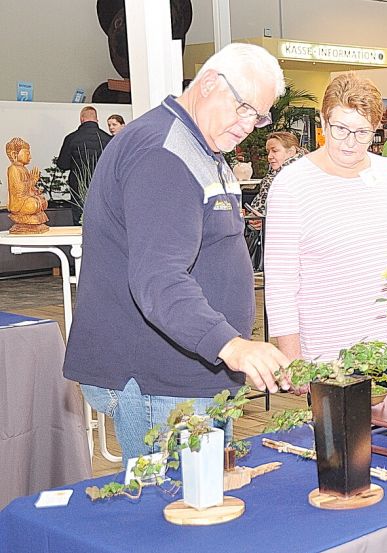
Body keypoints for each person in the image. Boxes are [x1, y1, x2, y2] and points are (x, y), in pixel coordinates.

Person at [63, 43, 292, 465]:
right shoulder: (164, 154)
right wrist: (233, 346)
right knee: (172, 513)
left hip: (193, 376)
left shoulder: (202, 146)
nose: (249, 126)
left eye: (258, 116)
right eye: (244, 109)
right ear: (208, 84)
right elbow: (160, 279)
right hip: (162, 382)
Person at [265, 73, 387, 390]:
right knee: (345, 441)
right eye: (340, 129)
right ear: (323, 122)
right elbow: (280, 282)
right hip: (331, 358)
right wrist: (292, 359)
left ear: (376, 129)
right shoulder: (292, 184)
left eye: (362, 132)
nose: (350, 142)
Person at [244, 131, 306, 270]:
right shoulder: (278, 173)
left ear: (291, 151)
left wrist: (267, 220)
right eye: (268, 151)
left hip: (289, 247)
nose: (269, 157)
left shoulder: (295, 175)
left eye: (275, 151)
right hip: (279, 243)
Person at [57, 105, 112, 224]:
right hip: (102, 185)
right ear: (97, 119)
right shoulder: (107, 139)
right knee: (102, 219)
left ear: (81, 119)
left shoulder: (71, 138)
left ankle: (80, 242)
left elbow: (62, 164)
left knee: (80, 220)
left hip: (78, 186)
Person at [5, 138, 49, 233]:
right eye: (27, 153)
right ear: (14, 154)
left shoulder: (24, 169)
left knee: (43, 200)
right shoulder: (13, 169)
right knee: (34, 205)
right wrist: (32, 180)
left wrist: (35, 191)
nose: (30, 156)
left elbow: (29, 189)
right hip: (19, 202)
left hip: (26, 198)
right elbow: (19, 189)